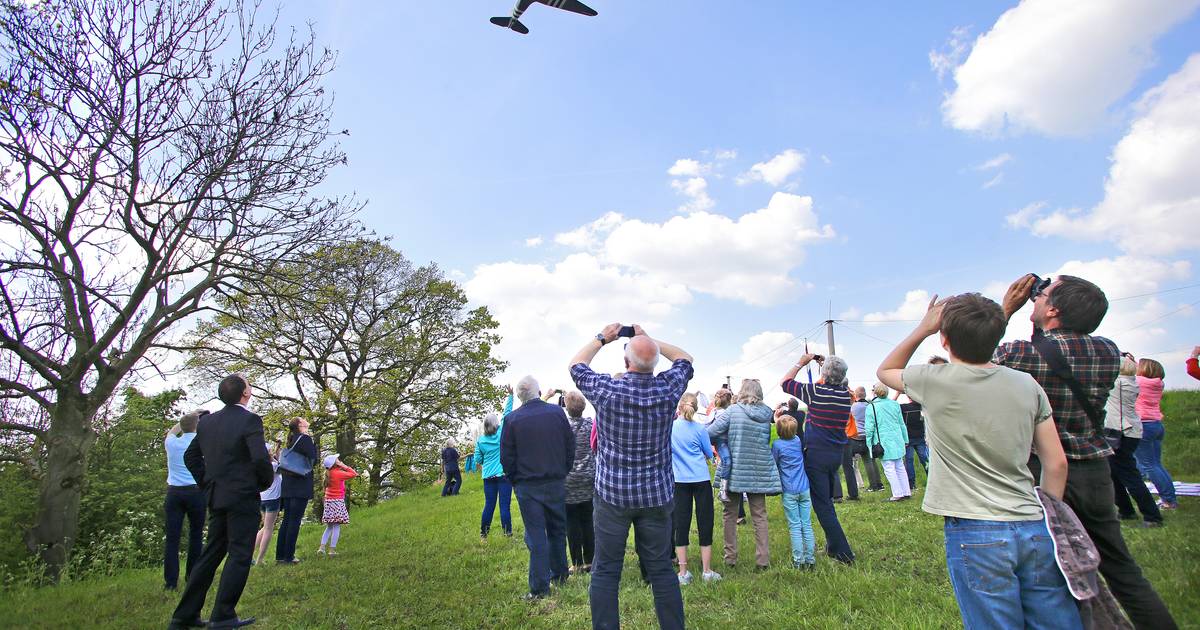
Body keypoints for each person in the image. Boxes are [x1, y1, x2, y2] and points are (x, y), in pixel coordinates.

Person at [877, 292, 1083, 630]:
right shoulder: (1026, 384)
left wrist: (922, 329)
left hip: (974, 528)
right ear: (997, 336)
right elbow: (1056, 464)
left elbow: (886, 370)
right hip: (1034, 524)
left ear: (944, 340)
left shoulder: (934, 381)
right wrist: (1049, 516)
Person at [994, 273, 1176, 628]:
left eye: (1041, 295)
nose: (1036, 297)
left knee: (1053, 567)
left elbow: (973, 357)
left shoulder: (1019, 353)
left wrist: (1006, 310)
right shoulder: (1106, 350)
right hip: (1094, 466)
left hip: (1041, 468)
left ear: (1053, 310)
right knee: (1121, 567)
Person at [570, 323, 692, 630]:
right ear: (653, 364)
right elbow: (684, 358)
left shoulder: (608, 390)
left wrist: (602, 338)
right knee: (662, 570)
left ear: (626, 363)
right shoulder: (668, 388)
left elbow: (576, 365)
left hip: (613, 495)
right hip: (656, 495)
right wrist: (646, 338)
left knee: (606, 571)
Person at [169, 374, 273, 630]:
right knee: (239, 553)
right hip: (242, 496)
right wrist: (263, 483)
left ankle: (184, 615)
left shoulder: (208, 422)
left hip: (216, 496)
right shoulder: (250, 420)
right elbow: (260, 458)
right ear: (245, 394)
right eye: (249, 384)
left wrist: (207, 483)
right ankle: (223, 615)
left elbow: (191, 456)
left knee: (210, 553)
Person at [500, 375, 575, 600]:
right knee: (557, 530)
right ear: (538, 390)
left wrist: (516, 480)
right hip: (553, 480)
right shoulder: (556, 413)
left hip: (528, 484)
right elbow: (569, 445)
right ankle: (560, 574)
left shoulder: (512, 420)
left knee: (536, 535)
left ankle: (541, 588)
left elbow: (507, 457)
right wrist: (563, 470)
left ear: (520, 396)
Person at [779, 355, 855, 564]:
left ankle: (844, 552)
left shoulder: (815, 392)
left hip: (816, 456)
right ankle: (832, 546)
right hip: (835, 454)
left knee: (822, 505)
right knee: (827, 501)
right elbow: (836, 378)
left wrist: (801, 363)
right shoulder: (846, 395)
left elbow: (785, 382)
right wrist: (826, 366)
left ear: (823, 375)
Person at [707, 379, 780, 570]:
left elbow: (710, 432)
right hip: (759, 469)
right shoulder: (767, 413)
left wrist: (722, 441)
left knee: (730, 514)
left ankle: (730, 558)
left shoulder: (733, 411)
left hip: (735, 469)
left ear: (742, 392)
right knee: (760, 515)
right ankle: (763, 560)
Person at [1106, 355, 1163, 527]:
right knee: (1113, 473)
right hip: (1129, 431)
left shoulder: (1117, 384)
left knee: (1129, 476)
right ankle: (1126, 510)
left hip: (1119, 432)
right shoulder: (1132, 382)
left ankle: (1152, 516)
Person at [669, 392, 719, 584]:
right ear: (696, 408)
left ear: (679, 407)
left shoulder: (670, 428)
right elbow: (709, 453)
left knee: (681, 524)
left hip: (679, 480)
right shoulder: (700, 429)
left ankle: (683, 572)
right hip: (700, 479)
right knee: (705, 521)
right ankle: (707, 570)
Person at [164, 409, 208, 591]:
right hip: (195, 491)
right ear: (198, 426)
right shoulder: (201, 444)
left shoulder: (172, 443)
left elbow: (172, 432)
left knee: (172, 539)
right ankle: (192, 575)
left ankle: (171, 582)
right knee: (196, 535)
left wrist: (189, 417)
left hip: (174, 493)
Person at [772, 412, 814, 570]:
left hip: (789, 490)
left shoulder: (777, 445)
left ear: (778, 431)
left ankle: (798, 561)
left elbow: (774, 462)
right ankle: (810, 559)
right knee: (807, 524)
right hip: (804, 487)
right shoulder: (797, 441)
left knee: (795, 526)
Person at [1134, 358, 1177, 511]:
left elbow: (1125, 374)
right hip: (1156, 425)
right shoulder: (1158, 384)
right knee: (1156, 464)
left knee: (1149, 466)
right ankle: (1169, 498)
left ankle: (1168, 501)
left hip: (1143, 425)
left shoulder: (1138, 381)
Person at [563, 391, 597, 573]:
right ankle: (590, 560)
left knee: (571, 523)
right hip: (588, 479)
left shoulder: (562, 427)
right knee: (587, 521)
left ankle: (576, 563)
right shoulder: (591, 424)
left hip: (567, 481)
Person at [276, 417, 316, 565]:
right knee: (294, 520)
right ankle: (289, 556)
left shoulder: (291, 440)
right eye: (304, 420)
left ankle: (280, 555)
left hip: (288, 485)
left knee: (287, 520)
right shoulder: (304, 439)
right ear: (300, 425)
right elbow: (313, 458)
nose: (306, 420)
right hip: (300, 484)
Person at [864, 383, 910, 501]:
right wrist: (905, 439)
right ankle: (906, 491)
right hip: (897, 438)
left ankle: (897, 493)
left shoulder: (872, 407)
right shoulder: (895, 405)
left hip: (882, 441)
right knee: (900, 466)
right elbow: (901, 423)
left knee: (889, 468)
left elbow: (869, 428)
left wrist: (869, 443)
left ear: (875, 393)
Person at [476, 410, 512, 541]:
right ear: (496, 424)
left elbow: (478, 459)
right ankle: (507, 533)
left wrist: (488, 461)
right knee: (504, 506)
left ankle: (483, 535)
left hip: (488, 477)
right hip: (503, 475)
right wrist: (510, 396)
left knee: (489, 505)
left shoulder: (480, 441)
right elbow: (507, 414)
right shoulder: (500, 434)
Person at [844, 386, 884, 499]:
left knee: (849, 464)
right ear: (865, 394)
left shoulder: (853, 407)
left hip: (855, 437)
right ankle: (877, 484)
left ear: (856, 395)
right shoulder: (870, 406)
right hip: (867, 436)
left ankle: (854, 488)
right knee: (870, 461)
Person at [317, 455, 357, 556]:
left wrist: (339, 464)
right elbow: (353, 474)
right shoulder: (338, 473)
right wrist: (343, 465)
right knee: (336, 526)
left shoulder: (328, 473)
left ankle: (321, 548)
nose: (339, 460)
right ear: (335, 464)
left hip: (328, 502)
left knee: (329, 526)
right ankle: (332, 550)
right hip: (337, 502)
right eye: (337, 460)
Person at [252, 441, 283, 566]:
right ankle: (260, 559)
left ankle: (250, 554)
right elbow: (283, 467)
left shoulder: (258, 465)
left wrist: (276, 450)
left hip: (262, 497)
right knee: (269, 528)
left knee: (264, 527)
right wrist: (278, 454)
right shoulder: (273, 466)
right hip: (273, 498)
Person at [898, 390, 928, 490]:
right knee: (925, 459)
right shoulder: (922, 407)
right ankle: (931, 479)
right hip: (920, 437)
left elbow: (892, 403)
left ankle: (911, 484)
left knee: (909, 461)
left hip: (908, 438)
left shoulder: (904, 408)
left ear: (908, 397)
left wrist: (897, 393)